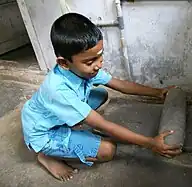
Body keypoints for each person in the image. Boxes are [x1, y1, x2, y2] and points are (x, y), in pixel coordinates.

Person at [21, 12, 181, 182]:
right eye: (90, 62)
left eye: (100, 55)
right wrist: (150, 143)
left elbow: (120, 85)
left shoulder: (84, 70)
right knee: (108, 150)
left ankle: (74, 125)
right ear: (64, 63)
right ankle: (46, 156)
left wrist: (158, 92)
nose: (98, 65)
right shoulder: (59, 90)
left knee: (101, 94)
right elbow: (104, 126)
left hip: (49, 114)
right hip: (43, 133)